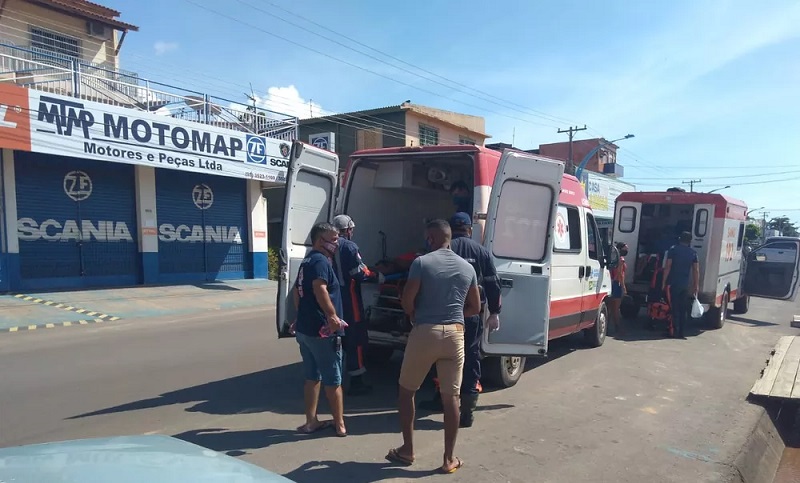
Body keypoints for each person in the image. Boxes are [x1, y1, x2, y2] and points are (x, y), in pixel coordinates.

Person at [386, 219, 481, 474]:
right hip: (455, 335)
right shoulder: (466, 268)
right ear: (449, 238)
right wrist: (455, 314)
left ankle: (407, 450)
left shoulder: (421, 262)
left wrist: (415, 314)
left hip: (426, 331)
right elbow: (476, 307)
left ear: (431, 237)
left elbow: (408, 299)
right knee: (451, 397)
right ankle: (449, 459)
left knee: (407, 391)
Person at [420, 213, 501, 427]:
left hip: (443, 314)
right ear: (469, 229)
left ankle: (441, 399)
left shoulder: (440, 249)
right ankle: (467, 412)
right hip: (472, 314)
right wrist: (494, 311)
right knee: (470, 357)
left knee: (442, 357)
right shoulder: (481, 252)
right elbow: (493, 283)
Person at [292, 222, 347, 437]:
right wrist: (332, 316)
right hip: (322, 331)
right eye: (333, 239)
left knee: (312, 377)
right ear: (319, 240)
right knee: (333, 380)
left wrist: (300, 315)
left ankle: (311, 421)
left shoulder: (306, 261)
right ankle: (340, 424)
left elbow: (297, 291)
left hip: (305, 329)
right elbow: (319, 288)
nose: (336, 243)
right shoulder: (321, 261)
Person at [331, 214, 383, 396]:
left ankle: (333, 379)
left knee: (335, 339)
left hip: (331, 298)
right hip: (349, 299)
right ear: (348, 230)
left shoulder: (325, 246)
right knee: (355, 339)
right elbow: (359, 273)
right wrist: (375, 276)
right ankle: (357, 380)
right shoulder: (349, 247)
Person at [661, 231, 700, 339]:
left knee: (673, 307)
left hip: (672, 283)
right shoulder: (693, 253)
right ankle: (681, 332)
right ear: (690, 241)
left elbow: (668, 266)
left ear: (679, 239)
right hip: (684, 284)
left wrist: (663, 282)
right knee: (683, 309)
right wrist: (696, 285)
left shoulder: (673, 250)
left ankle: (673, 331)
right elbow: (696, 270)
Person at [608, 242, 628, 335]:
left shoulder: (614, 258)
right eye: (625, 248)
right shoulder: (621, 260)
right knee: (616, 308)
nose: (627, 250)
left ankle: (608, 327)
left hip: (613, 283)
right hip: (617, 284)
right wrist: (623, 286)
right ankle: (617, 327)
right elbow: (620, 274)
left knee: (611, 307)